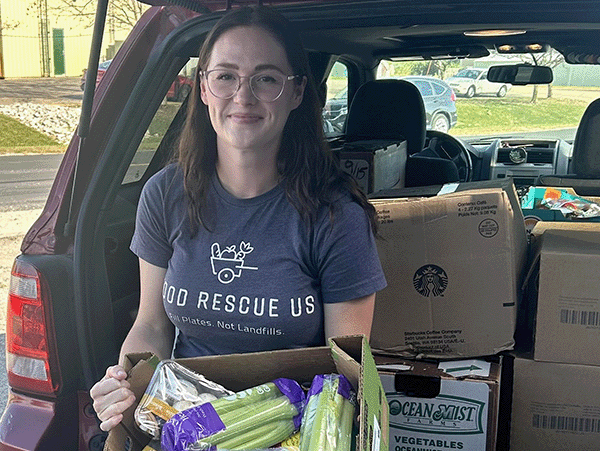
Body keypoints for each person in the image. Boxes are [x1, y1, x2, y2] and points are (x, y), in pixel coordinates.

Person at [90, 5, 386, 432]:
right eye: (226, 76)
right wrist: (123, 383)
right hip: (184, 422)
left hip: (289, 425)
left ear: (297, 92)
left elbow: (345, 371)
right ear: (203, 88)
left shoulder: (335, 215)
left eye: (266, 79)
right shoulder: (164, 194)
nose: (243, 97)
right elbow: (152, 325)